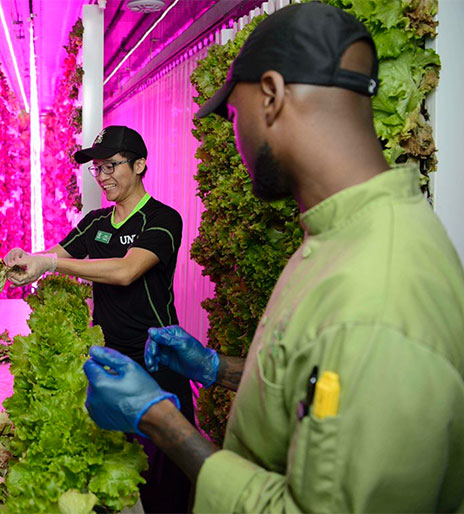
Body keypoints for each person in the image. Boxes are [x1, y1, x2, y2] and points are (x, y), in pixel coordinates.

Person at [82, 3, 464, 512]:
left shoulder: (379, 291)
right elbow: (322, 390)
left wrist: (161, 421)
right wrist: (219, 368)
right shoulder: (343, 236)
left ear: (273, 97)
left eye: (234, 116)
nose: (236, 140)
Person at [5, 125, 194, 513]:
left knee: (166, 481)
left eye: (111, 165)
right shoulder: (95, 222)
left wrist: (51, 262)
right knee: (115, 474)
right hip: (112, 364)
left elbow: (127, 271)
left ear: (140, 164)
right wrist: (27, 260)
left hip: (158, 363)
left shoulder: (162, 219)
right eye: (97, 169)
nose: (103, 175)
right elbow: (53, 255)